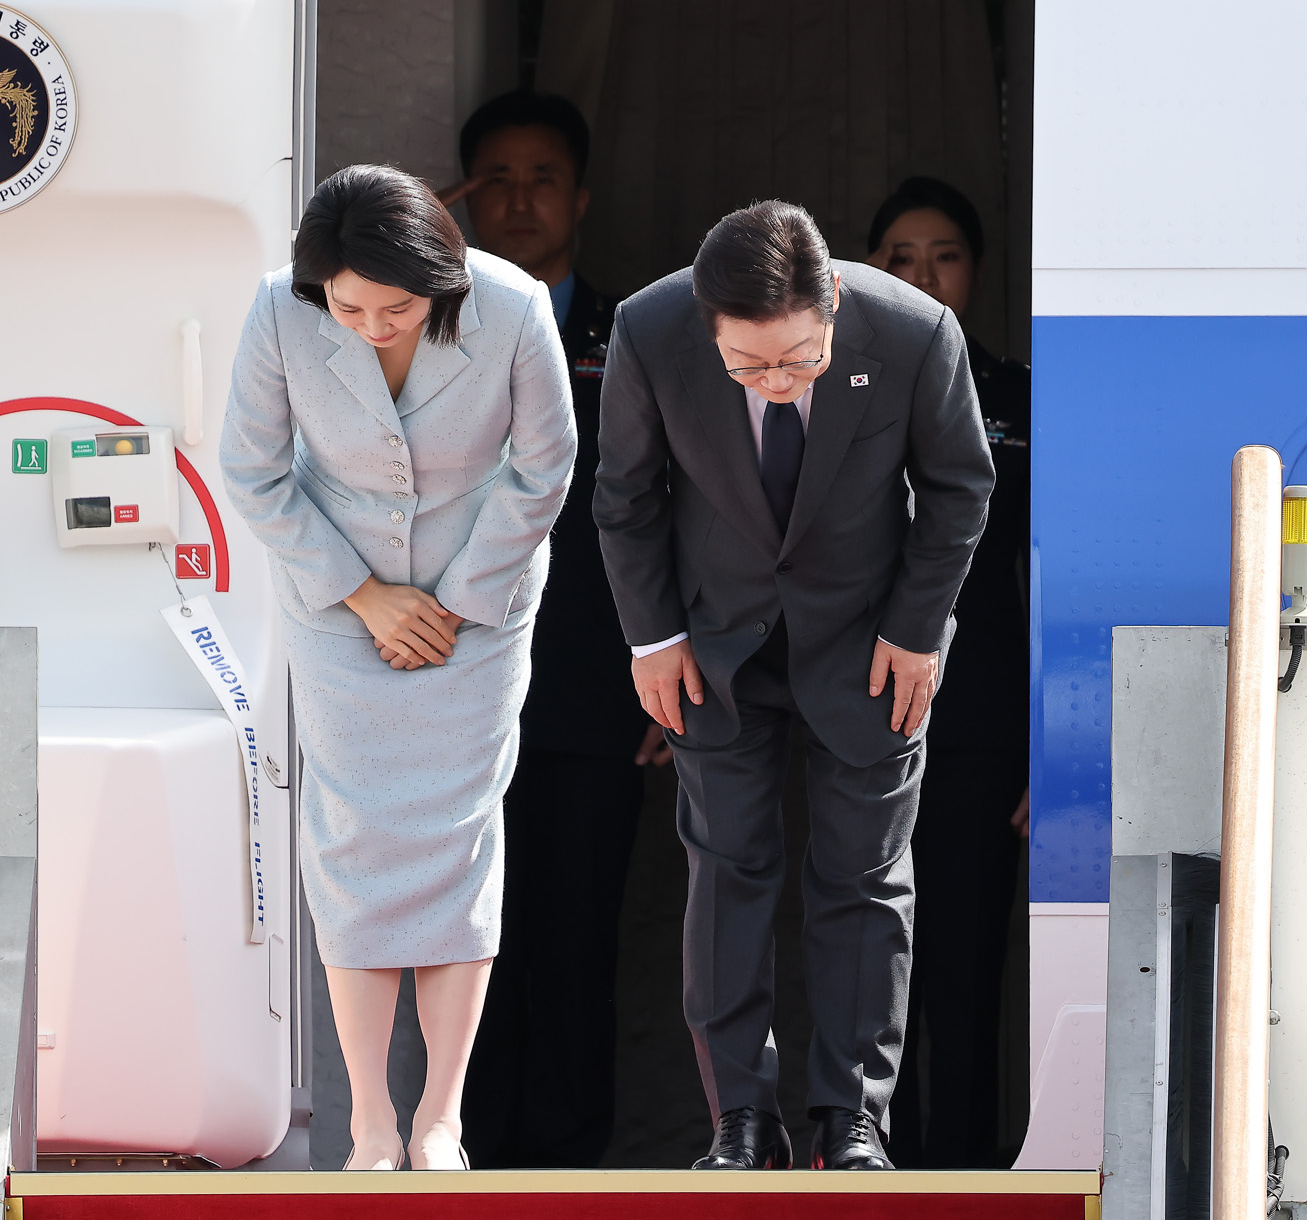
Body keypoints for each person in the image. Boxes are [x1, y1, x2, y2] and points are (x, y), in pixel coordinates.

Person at [593, 200, 995, 1170]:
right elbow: (625, 495)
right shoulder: (649, 330)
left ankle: (851, 1118)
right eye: (748, 366)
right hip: (715, 642)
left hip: (870, 642)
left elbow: (959, 487)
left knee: (862, 874)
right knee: (726, 868)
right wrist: (653, 636)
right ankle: (740, 1117)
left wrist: (916, 629)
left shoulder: (914, 332)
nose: (776, 383)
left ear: (835, 302)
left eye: (799, 360)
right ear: (707, 325)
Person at [220, 164, 576, 1170]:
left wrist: (454, 599)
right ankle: (372, 1120)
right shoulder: (277, 308)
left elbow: (545, 465)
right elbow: (251, 468)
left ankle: (440, 1118)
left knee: (459, 833)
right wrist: (361, 593)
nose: (373, 326)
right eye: (350, 308)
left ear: (441, 280)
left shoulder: (513, 306)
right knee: (355, 837)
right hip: (339, 603)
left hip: (479, 603)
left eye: (399, 308)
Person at [440, 89, 660, 1167]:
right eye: (497, 179)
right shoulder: (418, 326)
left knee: (576, 947)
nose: (520, 199)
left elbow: (684, 509)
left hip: (595, 690)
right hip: (450, 691)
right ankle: (466, 1163)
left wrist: (677, 663)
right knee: (466, 942)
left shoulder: (640, 335)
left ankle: (566, 1170)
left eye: (543, 179)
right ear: (464, 197)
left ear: (580, 198)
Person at [864, 176, 1032, 1168]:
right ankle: (875, 1169)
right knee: (869, 968)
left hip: (981, 724)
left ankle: (965, 1171)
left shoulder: (1018, 395)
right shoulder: (830, 388)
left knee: (966, 966)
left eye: (945, 257)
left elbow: (1057, 571)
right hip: (860, 721)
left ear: (976, 271)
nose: (923, 277)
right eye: (900, 258)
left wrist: (1048, 745)